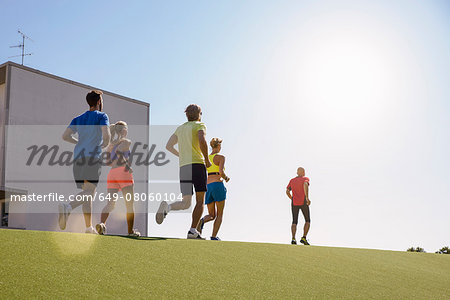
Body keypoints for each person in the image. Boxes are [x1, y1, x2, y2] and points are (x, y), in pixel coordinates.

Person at [59, 90, 110, 233]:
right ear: (99, 101)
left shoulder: (78, 118)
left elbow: (65, 136)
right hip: (92, 158)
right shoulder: (102, 116)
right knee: (89, 193)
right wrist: (104, 144)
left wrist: (78, 142)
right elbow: (106, 135)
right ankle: (67, 207)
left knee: (87, 194)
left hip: (78, 159)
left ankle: (88, 228)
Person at [157, 104, 211, 239]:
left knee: (186, 202)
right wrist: (207, 159)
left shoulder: (180, 129)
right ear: (199, 114)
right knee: (200, 201)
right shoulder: (200, 125)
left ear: (187, 114)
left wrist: (180, 155)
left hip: (184, 167)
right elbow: (202, 140)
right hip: (198, 165)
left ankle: (167, 208)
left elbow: (168, 146)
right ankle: (193, 230)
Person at [95, 121, 140, 237]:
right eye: (126, 129)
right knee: (129, 204)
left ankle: (102, 224)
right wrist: (127, 166)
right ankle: (130, 232)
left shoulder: (112, 144)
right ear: (124, 130)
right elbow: (120, 152)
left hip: (112, 174)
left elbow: (108, 162)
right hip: (123, 173)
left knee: (110, 204)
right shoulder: (126, 141)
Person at [196, 138, 230, 240]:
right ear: (218, 146)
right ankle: (214, 236)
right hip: (217, 185)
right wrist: (226, 178)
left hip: (208, 186)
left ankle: (201, 221)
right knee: (219, 214)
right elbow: (221, 172)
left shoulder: (206, 158)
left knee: (211, 215)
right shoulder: (221, 157)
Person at [286, 167, 311, 245]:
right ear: (303, 172)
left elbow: (287, 191)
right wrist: (307, 198)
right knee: (307, 220)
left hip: (294, 203)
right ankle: (304, 237)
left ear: (297, 173)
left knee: (294, 221)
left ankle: (293, 239)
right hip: (303, 202)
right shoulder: (305, 179)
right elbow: (305, 184)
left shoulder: (292, 180)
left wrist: (292, 198)